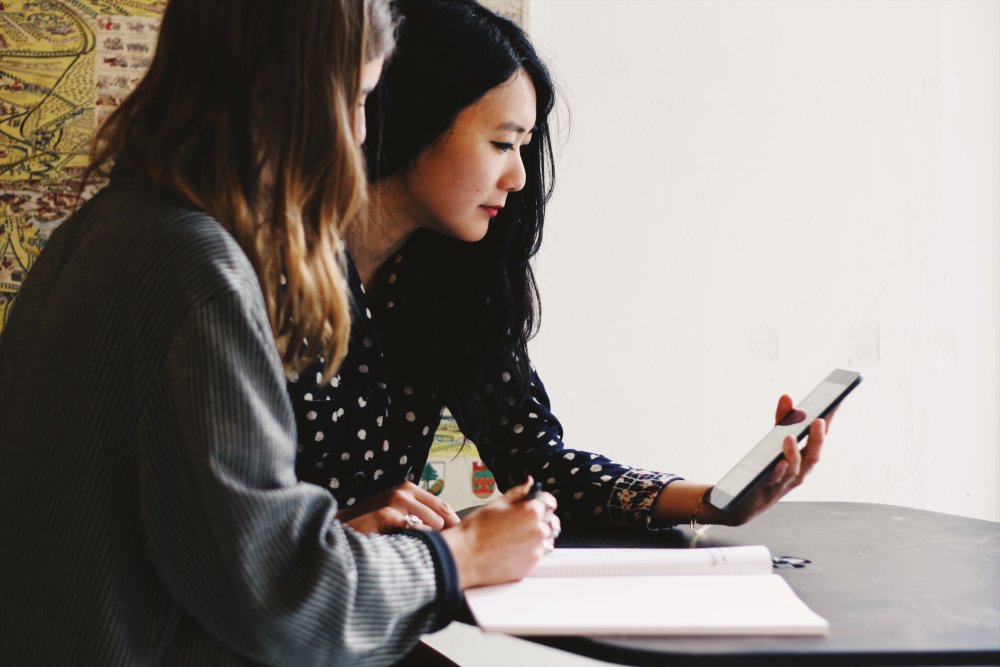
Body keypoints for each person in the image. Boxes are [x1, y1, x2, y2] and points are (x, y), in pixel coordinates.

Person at [0, 2, 557, 666]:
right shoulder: (197, 271)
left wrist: (329, 536)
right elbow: (286, 599)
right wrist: (457, 554)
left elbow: (219, 552)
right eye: (353, 98)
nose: (359, 133)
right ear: (284, 93)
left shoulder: (111, 231)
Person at [287, 0, 829, 536]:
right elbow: (219, 519)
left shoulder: (446, 280)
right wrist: (332, 533)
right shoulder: (263, 275)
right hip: (271, 605)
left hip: (384, 600)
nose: (518, 177)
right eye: (502, 143)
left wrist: (712, 503)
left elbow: (537, 462)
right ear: (415, 117)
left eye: (523, 146)